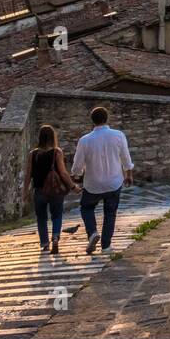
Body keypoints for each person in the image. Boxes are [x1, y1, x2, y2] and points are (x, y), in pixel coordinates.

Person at [70, 106, 135, 255]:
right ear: (107, 118)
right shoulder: (118, 135)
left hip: (93, 184)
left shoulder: (85, 140)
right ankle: (106, 246)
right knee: (110, 213)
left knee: (86, 208)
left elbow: (77, 165)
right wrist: (129, 174)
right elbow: (126, 157)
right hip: (114, 182)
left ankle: (92, 232)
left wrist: (76, 175)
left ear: (92, 121)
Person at [21, 124, 79, 254]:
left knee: (41, 218)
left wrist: (24, 192)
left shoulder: (33, 154)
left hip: (39, 190)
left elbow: (28, 174)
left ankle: (44, 243)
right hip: (56, 191)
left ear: (40, 137)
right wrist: (73, 186)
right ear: (53, 137)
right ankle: (55, 238)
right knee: (56, 215)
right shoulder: (57, 152)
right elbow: (63, 173)